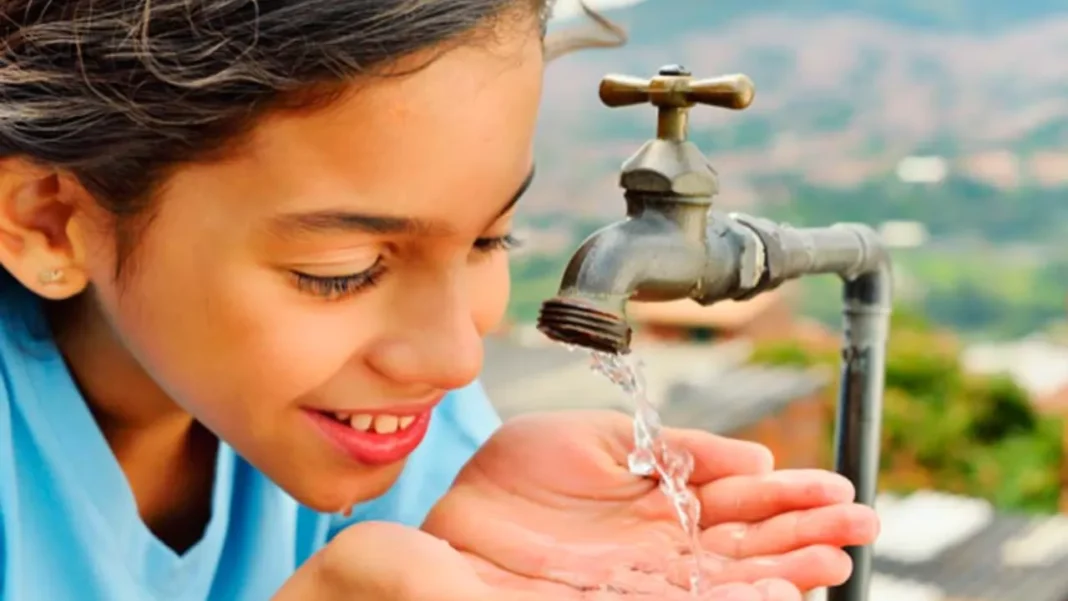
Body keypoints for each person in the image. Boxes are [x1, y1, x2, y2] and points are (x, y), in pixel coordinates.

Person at [0, 1, 879, 599]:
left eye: (489, 240)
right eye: (341, 270)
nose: (457, 357)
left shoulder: (405, 442)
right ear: (48, 224)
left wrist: (441, 519)